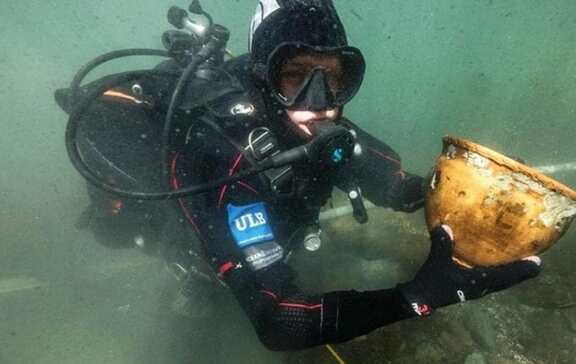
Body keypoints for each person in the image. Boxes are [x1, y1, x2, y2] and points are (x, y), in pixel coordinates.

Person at [59, 0, 542, 352]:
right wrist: (416, 298)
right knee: (196, 320)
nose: (321, 100)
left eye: (333, 77)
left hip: (276, 229)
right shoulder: (225, 157)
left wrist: (477, 195)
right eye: (296, 75)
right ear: (265, 77)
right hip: (196, 236)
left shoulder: (319, 126)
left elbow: (394, 183)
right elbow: (279, 322)